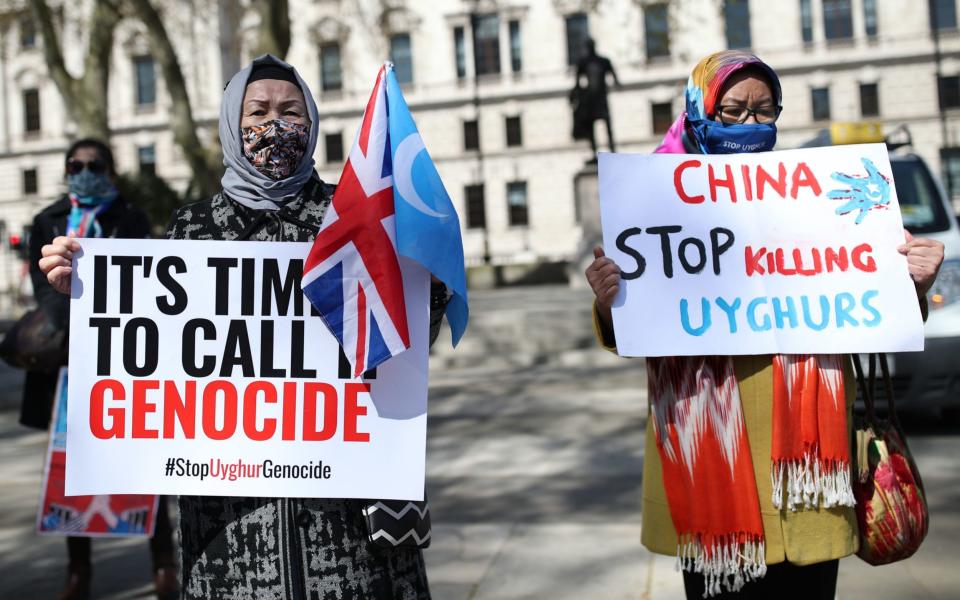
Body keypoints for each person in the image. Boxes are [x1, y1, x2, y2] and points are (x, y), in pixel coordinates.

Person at [40, 55, 446, 599]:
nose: (275, 125)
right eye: (258, 112)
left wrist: (428, 278)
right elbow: (152, 351)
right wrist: (88, 289)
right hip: (231, 542)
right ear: (234, 125)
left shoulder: (358, 219)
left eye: (291, 111)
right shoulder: (192, 230)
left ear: (314, 122)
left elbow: (410, 339)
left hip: (353, 540)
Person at [584, 50, 945, 599]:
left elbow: (873, 311)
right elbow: (637, 329)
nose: (752, 125)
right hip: (712, 472)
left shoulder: (815, 196)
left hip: (810, 482)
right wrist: (612, 302)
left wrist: (910, 285)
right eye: (733, 111)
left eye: (765, 110)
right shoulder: (656, 204)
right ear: (699, 109)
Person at [26, 139, 178, 600]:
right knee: (73, 468)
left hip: (122, 362)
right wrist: (81, 319)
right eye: (76, 165)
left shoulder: (129, 218)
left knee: (141, 465)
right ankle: (78, 571)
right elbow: (45, 291)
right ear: (67, 169)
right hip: (69, 363)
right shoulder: (45, 221)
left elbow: (141, 280)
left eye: (95, 165)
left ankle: (163, 565)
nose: (85, 171)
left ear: (111, 171)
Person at [571, 38, 620, 157]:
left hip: (600, 98)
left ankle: (611, 150)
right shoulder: (585, 62)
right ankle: (596, 152)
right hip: (591, 99)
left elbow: (615, 78)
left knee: (606, 125)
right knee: (592, 127)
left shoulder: (602, 61)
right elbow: (577, 83)